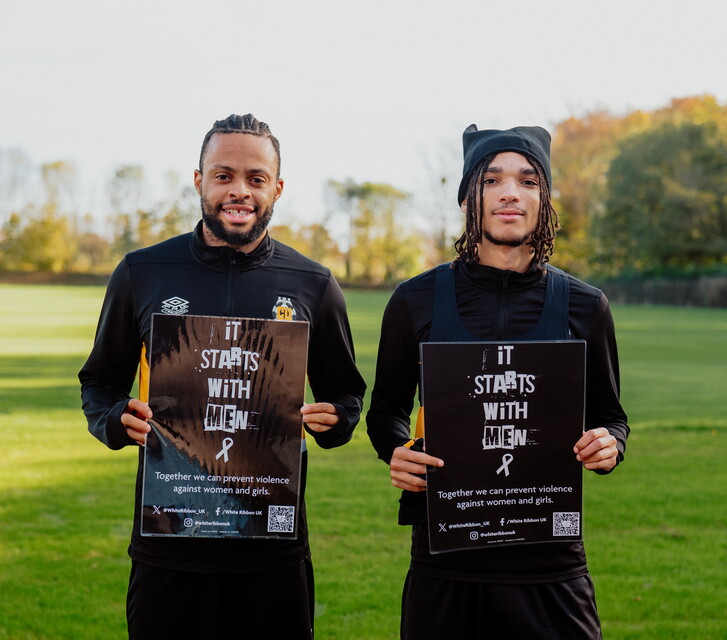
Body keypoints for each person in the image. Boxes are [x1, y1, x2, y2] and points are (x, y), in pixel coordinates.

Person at [79, 113, 366, 639]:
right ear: (199, 181)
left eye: (256, 179)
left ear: (277, 188)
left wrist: (335, 420)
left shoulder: (313, 284)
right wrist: (117, 420)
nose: (239, 191)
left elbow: (346, 394)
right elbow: (98, 382)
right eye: (223, 175)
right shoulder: (142, 273)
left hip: (272, 550)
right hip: (169, 545)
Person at [366, 124, 629, 639]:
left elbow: (611, 418)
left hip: (549, 566)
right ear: (468, 197)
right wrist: (397, 450)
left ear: (545, 199)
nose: (511, 192)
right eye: (492, 180)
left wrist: (609, 444)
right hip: (446, 561)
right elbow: (385, 414)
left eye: (529, 181)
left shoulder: (586, 306)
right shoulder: (414, 301)